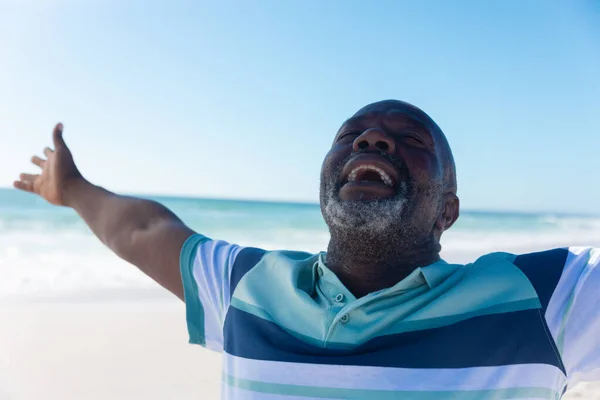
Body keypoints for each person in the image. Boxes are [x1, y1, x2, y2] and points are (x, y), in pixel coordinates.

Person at [14, 100, 600, 399]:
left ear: (447, 209)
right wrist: (72, 190)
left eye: (411, 140)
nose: (371, 140)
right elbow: (142, 231)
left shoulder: (547, 301)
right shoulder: (250, 288)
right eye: (352, 135)